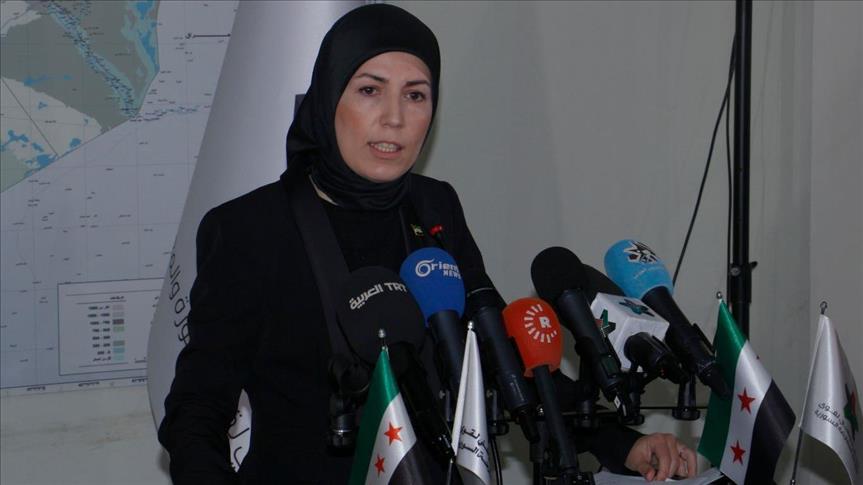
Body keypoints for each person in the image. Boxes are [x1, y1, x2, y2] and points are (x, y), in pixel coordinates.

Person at [157, 4, 697, 484]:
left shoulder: (435, 207)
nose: (394, 118)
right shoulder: (250, 228)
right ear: (328, 97)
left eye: (415, 95)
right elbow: (196, 408)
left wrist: (621, 444)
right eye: (370, 90)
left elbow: (497, 354)